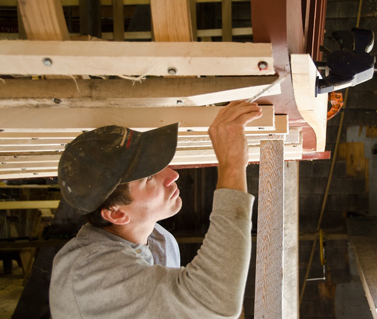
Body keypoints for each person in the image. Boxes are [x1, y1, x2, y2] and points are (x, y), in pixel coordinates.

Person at [49, 100, 262, 319]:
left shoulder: (160, 240)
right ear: (117, 214)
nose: (173, 176)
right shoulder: (89, 274)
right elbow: (212, 303)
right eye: (149, 177)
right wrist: (233, 164)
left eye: (157, 167)